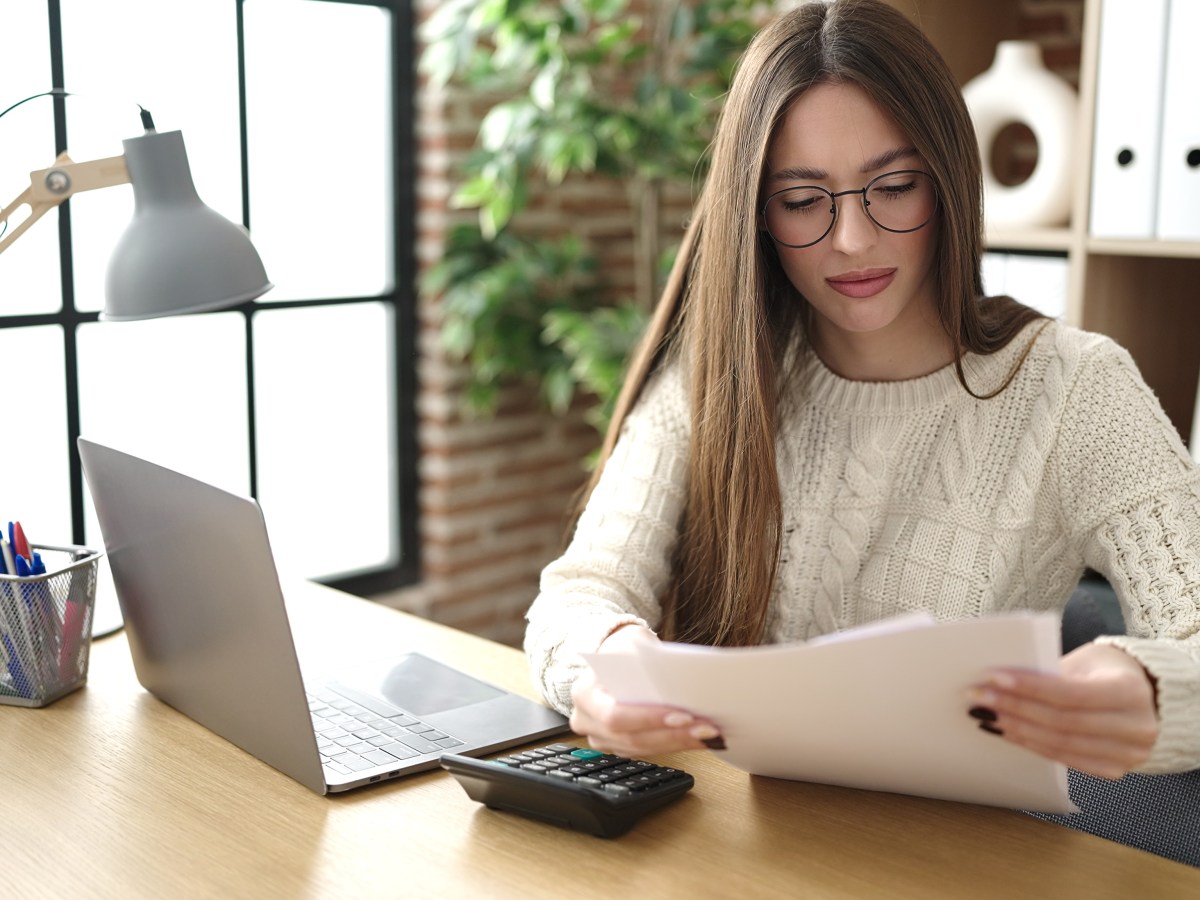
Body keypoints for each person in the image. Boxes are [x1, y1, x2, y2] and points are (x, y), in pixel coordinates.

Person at [523, 0, 1200, 780]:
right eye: (804, 201)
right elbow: (579, 590)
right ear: (760, 216)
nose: (852, 240)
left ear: (947, 180)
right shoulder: (723, 377)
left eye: (895, 185)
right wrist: (607, 661)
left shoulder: (1074, 387)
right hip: (743, 848)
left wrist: (1144, 685)